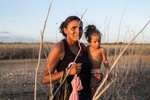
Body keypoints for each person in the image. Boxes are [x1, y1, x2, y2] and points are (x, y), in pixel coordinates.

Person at [42, 16, 92, 100]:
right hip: (67, 95)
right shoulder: (60, 48)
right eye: (74, 28)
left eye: (80, 28)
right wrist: (67, 72)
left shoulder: (82, 47)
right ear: (65, 30)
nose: (78, 31)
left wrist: (97, 75)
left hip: (86, 95)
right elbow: (45, 78)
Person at [84, 25, 111, 99]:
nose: (97, 44)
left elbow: (105, 61)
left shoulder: (101, 50)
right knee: (87, 87)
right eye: (95, 42)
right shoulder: (87, 48)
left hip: (97, 71)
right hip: (88, 71)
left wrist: (108, 72)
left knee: (93, 86)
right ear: (89, 41)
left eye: (99, 41)